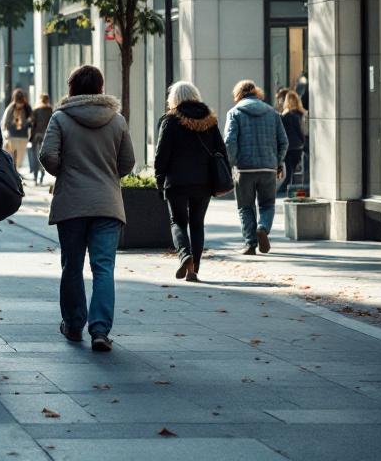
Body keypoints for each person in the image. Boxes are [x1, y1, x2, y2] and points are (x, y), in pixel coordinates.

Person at [38, 65, 135, 353]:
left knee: (72, 266)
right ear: (100, 87)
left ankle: (72, 324)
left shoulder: (60, 118)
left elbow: (47, 155)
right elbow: (128, 162)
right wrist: (107, 176)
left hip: (72, 203)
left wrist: (66, 172)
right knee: (104, 268)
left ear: (71, 88)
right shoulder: (116, 121)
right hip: (107, 203)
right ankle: (100, 330)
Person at [153, 82, 226, 283]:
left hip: (176, 182)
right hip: (204, 181)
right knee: (197, 223)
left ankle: (185, 256)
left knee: (177, 221)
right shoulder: (209, 120)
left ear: (173, 98)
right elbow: (221, 150)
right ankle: (193, 269)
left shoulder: (170, 120)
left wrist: (159, 180)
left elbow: (162, 155)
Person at [224, 80, 288, 255]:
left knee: (245, 206)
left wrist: (230, 164)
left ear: (238, 94)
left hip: (244, 169)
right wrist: (278, 162)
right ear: (256, 92)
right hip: (268, 168)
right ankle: (263, 228)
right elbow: (284, 141)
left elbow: (229, 142)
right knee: (267, 204)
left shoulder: (234, 113)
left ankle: (250, 244)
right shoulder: (272, 113)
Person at [280, 90, 307, 194]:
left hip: (288, 147)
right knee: (295, 171)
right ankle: (289, 190)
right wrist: (303, 142)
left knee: (290, 170)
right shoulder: (301, 114)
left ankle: (285, 190)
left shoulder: (284, 115)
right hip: (297, 147)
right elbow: (300, 130)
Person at [1, 89, 32, 171]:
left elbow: (32, 120)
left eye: (21, 104)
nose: (20, 106)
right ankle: (14, 173)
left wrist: (27, 122)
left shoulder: (27, 108)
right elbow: (5, 121)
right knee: (12, 158)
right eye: (18, 104)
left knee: (19, 159)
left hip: (23, 136)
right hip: (12, 136)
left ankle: (15, 172)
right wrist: (6, 131)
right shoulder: (10, 108)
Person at [29, 93, 54, 186]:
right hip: (46, 135)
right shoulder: (50, 110)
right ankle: (41, 178)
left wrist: (31, 137)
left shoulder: (35, 110)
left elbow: (32, 125)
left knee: (35, 157)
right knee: (43, 156)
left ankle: (35, 178)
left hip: (36, 135)